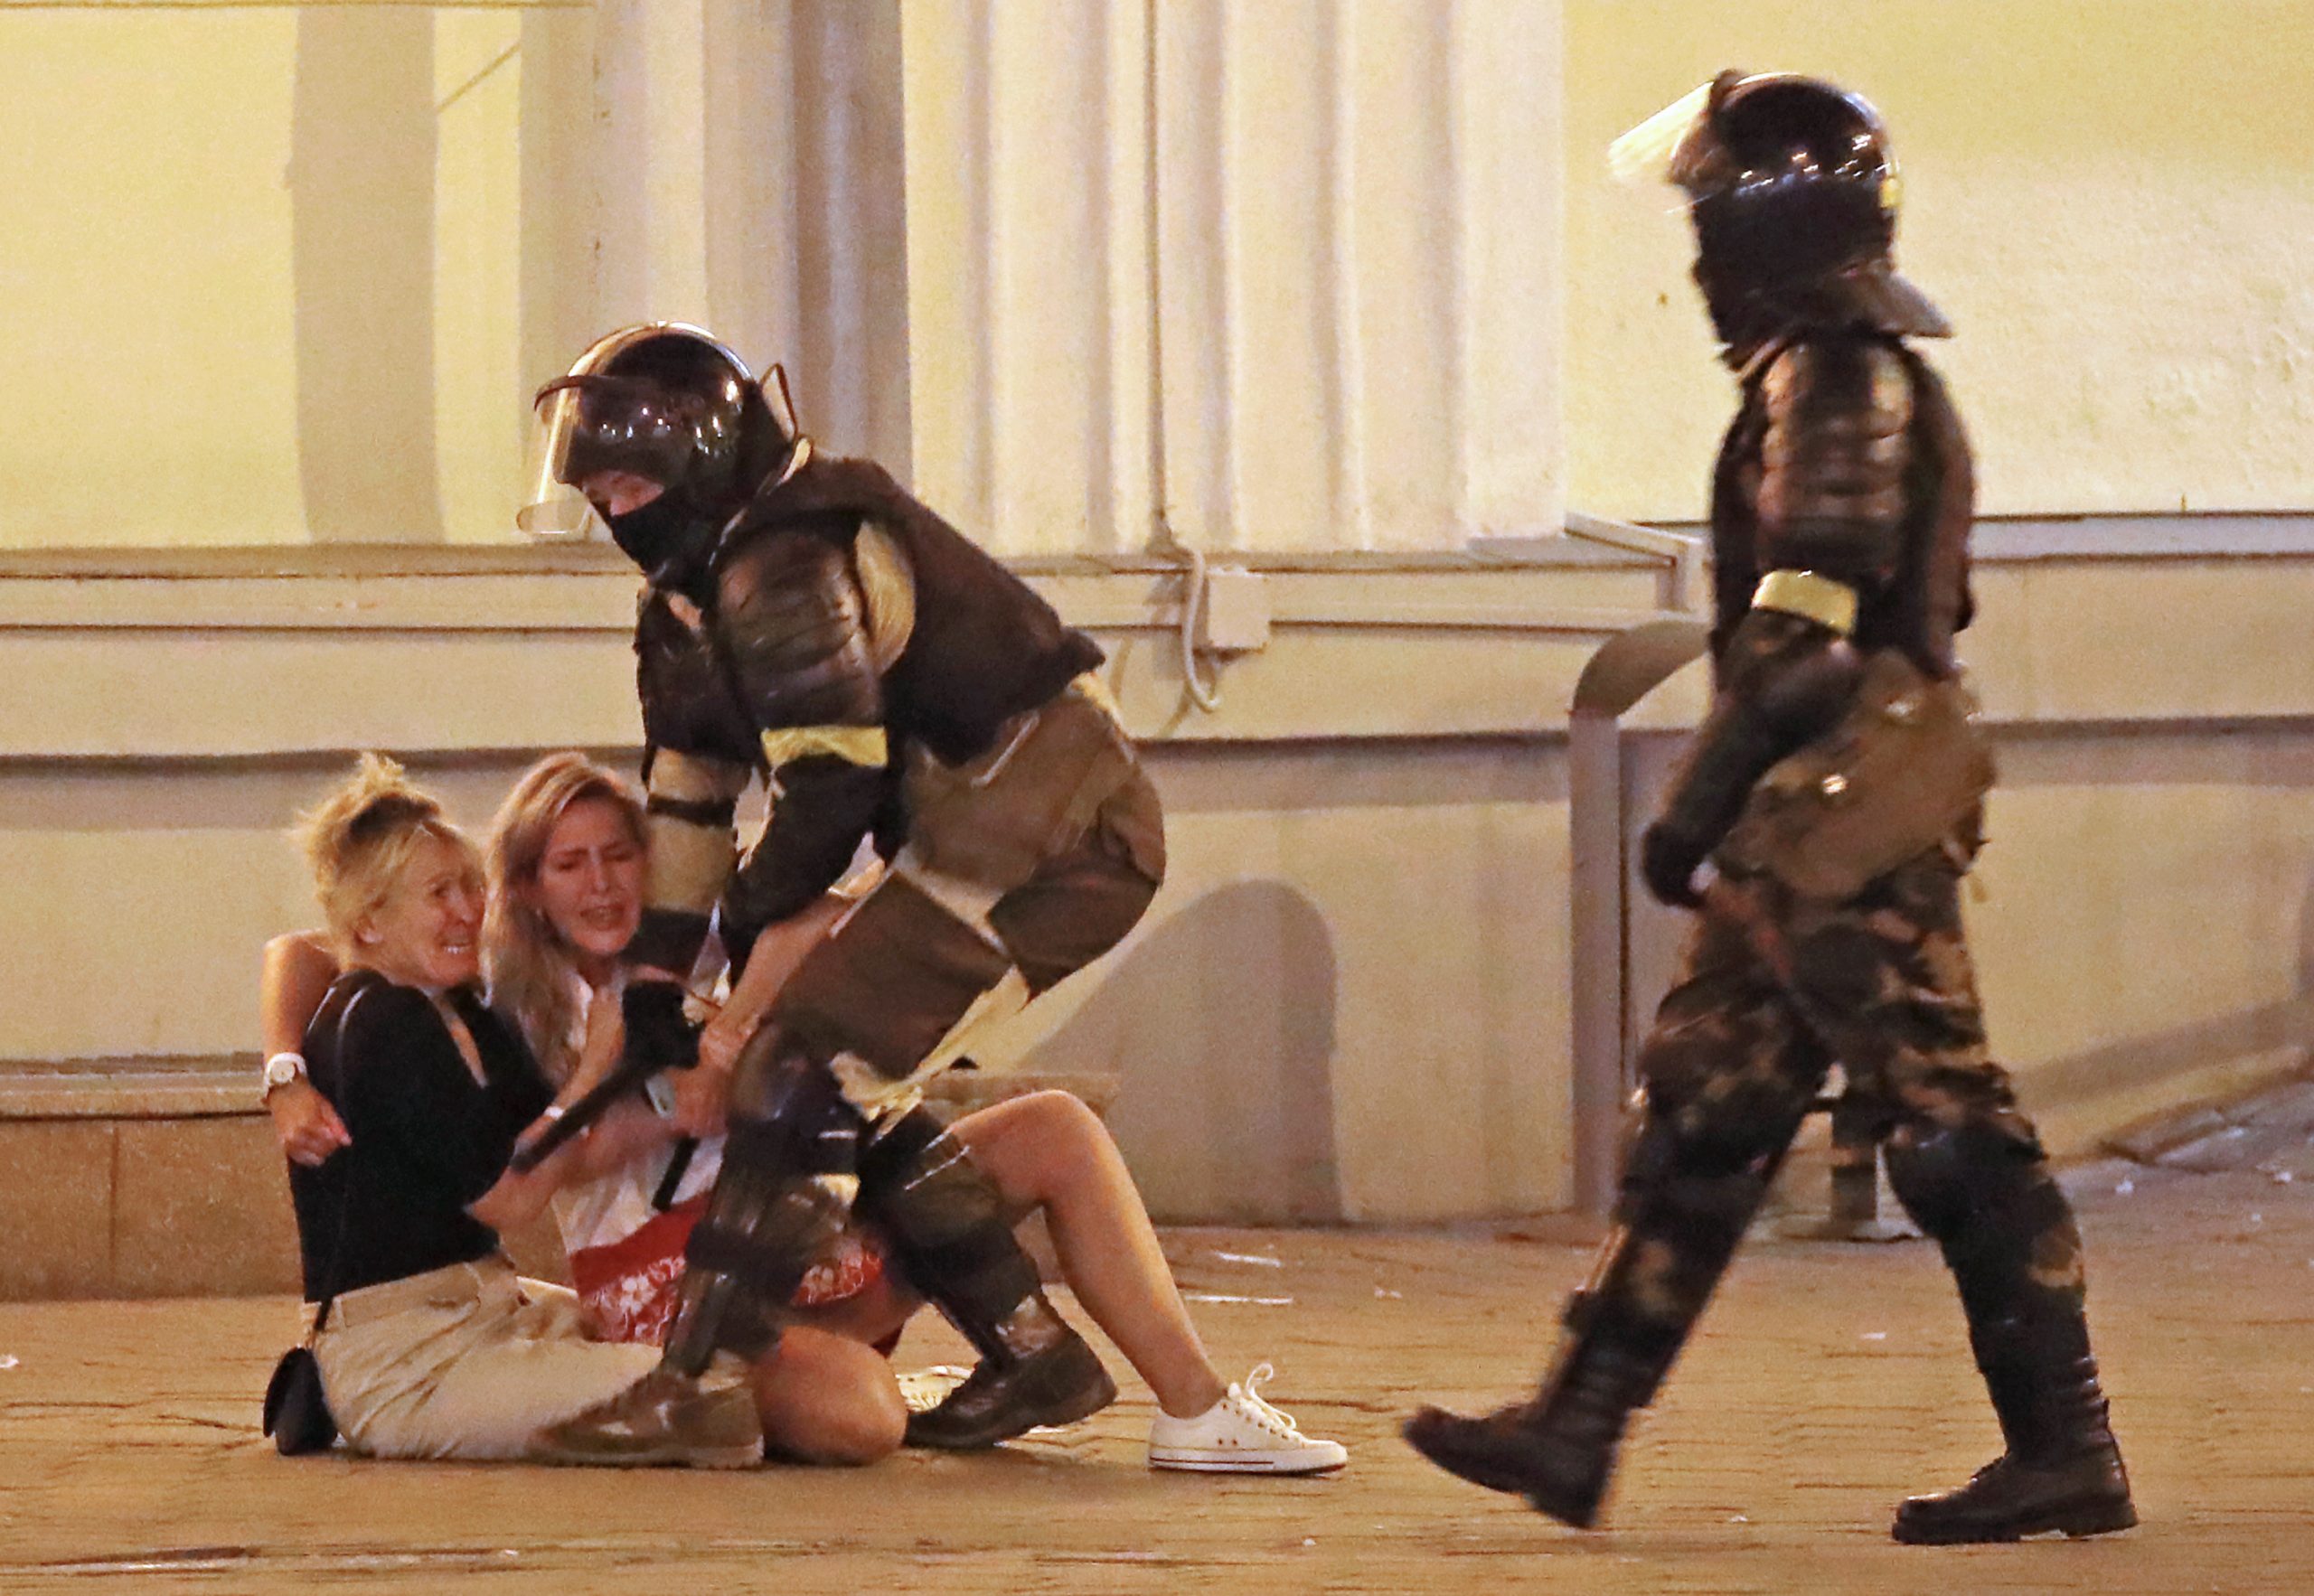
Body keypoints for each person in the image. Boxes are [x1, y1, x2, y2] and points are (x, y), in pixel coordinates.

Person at [1403, 73, 2134, 1544]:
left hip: (1850, 803)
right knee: (1712, 1103)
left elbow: (1807, 637)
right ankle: (1575, 1427)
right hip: (1818, 810)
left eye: (1707, 210)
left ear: (1759, 226)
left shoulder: (1838, 376)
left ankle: (2069, 1445)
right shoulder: (1829, 366)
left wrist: (1693, 804)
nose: (1694, 249)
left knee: (1946, 1119)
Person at [266, 752, 1346, 1471]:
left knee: (1049, 1126)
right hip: (663, 1276)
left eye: (620, 854)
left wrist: (742, 1008)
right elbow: (311, 949)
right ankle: (896, 1365)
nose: (599, 884)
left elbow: (829, 914)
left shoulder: (690, 944)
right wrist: (285, 1073)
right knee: (861, 1412)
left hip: (779, 1232)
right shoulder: (506, 985)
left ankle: (1197, 1407)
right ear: (532, 887)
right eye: (569, 863)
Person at [517, 325, 1173, 1462]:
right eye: (599, 491)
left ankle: (700, 1382)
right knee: (836, 1077)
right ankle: (1031, 1348)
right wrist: (660, 978)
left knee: (802, 1072)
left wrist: (732, 936)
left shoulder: (783, 558)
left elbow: (829, 785)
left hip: (1051, 827)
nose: (615, 511)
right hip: (975, 828)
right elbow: (687, 800)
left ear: (700, 458)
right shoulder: (692, 597)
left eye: (629, 483)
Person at [273, 754, 763, 1465]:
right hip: (407, 1358)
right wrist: (593, 1071)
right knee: (707, 1395)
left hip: (487, 1305)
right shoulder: (380, 1020)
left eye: (470, 886)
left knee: (704, 1348)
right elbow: (512, 1197)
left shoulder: (460, 1007)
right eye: (438, 894)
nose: (467, 911)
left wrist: (680, 1105)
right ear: (371, 921)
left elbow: (566, 1148)